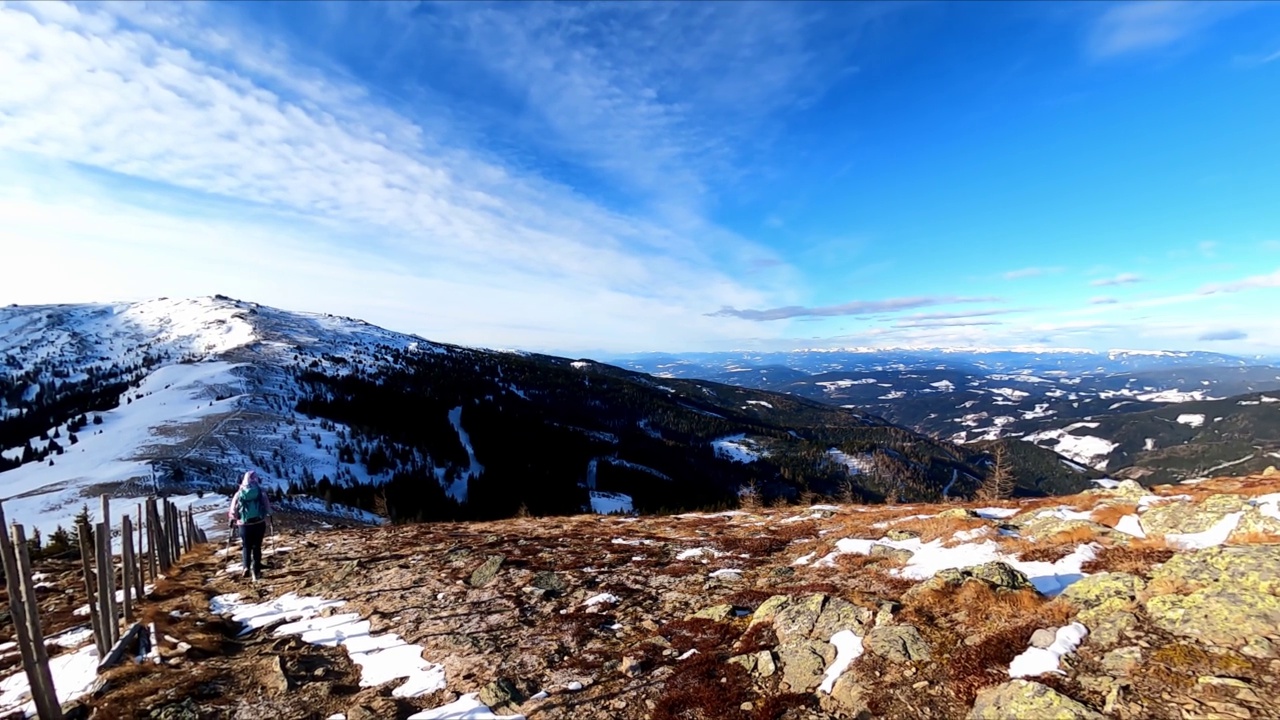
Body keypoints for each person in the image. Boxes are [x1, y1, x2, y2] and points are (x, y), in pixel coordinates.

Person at [228, 470, 273, 580]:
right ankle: (256, 571)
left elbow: (233, 511)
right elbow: (268, 507)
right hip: (258, 522)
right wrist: (270, 514)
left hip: (244, 524)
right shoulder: (260, 491)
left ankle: (245, 567)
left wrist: (233, 519)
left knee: (246, 546)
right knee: (257, 546)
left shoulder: (239, 493)